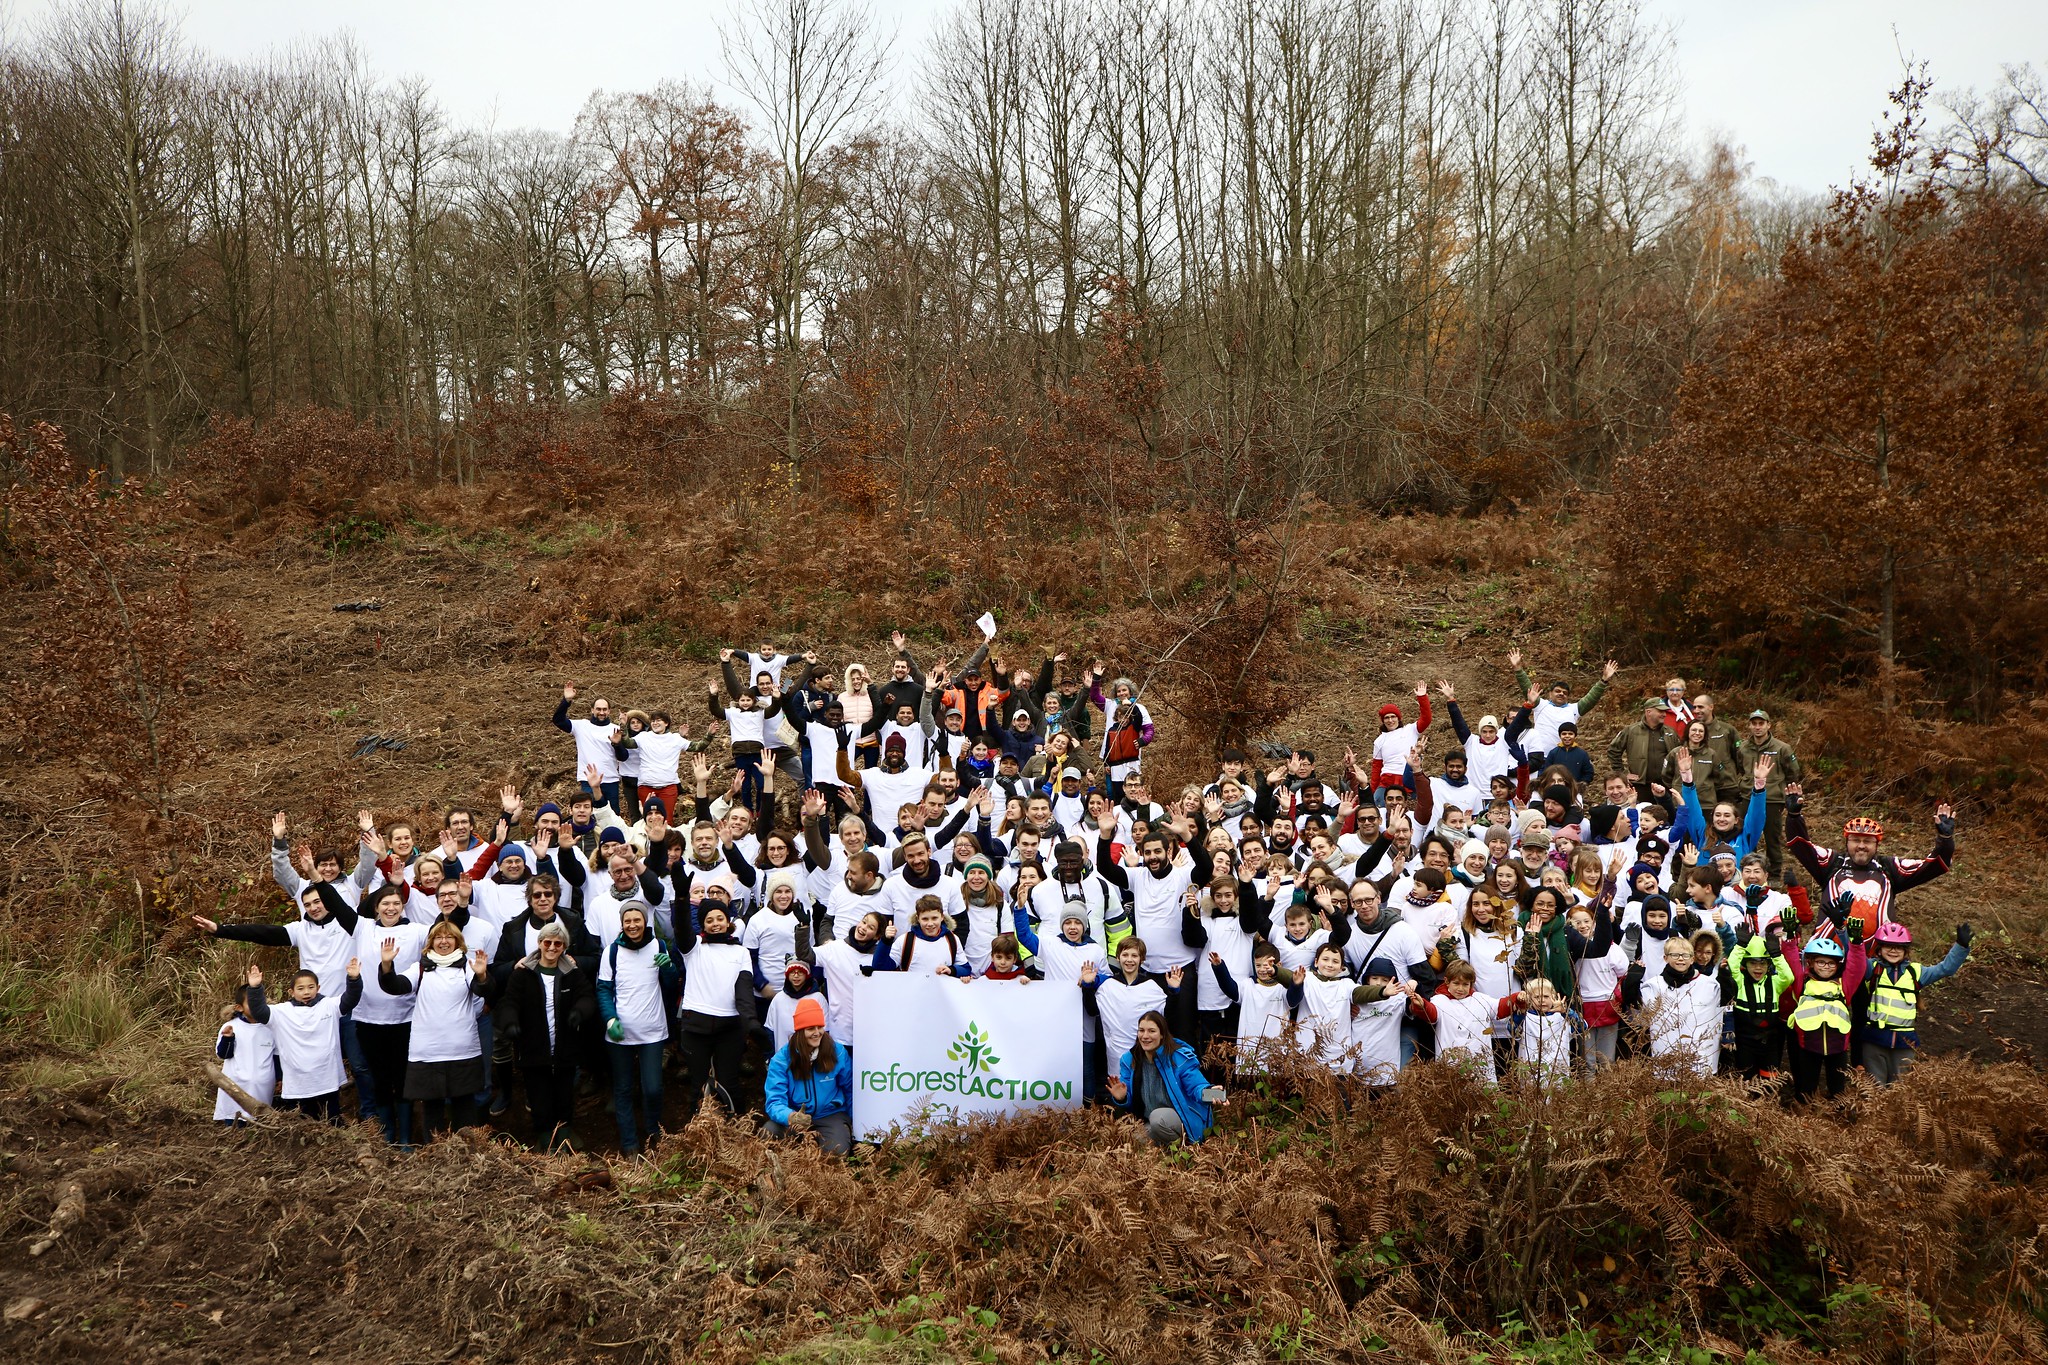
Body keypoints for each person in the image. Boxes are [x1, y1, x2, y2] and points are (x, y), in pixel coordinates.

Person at [379, 921, 502, 1136]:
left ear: (458, 942)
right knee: (432, 1108)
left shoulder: (468, 966)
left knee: (464, 1106)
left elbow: (485, 990)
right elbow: (395, 986)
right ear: (431, 943)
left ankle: (466, 1153)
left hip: (463, 1050)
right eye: (438, 937)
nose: (443, 941)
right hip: (427, 1052)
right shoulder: (419, 968)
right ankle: (434, 1156)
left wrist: (482, 975)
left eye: (449, 937)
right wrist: (387, 966)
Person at [1786, 794, 1954, 944]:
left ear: (1877, 845)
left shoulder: (1890, 868)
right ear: (1847, 842)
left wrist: (1945, 840)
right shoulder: (1832, 863)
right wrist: (1794, 817)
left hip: (1875, 957)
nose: (1861, 846)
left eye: (1867, 841)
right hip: (1829, 955)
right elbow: (1800, 845)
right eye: (1855, 840)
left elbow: (1934, 865)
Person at [504, 920, 595, 1150]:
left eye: (558, 943)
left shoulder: (571, 973)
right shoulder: (523, 973)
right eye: (548, 942)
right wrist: (511, 1022)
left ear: (564, 947)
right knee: (538, 1094)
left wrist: (579, 1011)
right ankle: (545, 1134)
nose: (552, 947)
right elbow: (510, 1003)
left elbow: (586, 997)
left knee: (565, 1092)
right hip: (533, 1046)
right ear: (539, 944)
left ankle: (564, 1130)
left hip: (565, 1044)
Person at [596, 903, 678, 1156]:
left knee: (653, 1087)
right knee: (622, 1088)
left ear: (645, 922)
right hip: (619, 1033)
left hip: (652, 1030)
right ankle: (629, 1142)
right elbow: (603, 988)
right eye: (627, 921)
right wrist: (610, 1019)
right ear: (622, 924)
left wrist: (669, 969)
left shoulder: (659, 946)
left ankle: (653, 1131)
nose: (632, 925)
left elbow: (671, 987)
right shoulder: (611, 952)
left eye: (637, 920)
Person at [1854, 920, 1972, 1084]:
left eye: (1899, 947)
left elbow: (1945, 968)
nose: (1893, 951)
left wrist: (1960, 946)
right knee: (1874, 1089)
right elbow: (1855, 963)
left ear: (1906, 951)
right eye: (1888, 946)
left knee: (1900, 1089)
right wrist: (1855, 941)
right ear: (1879, 949)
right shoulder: (1872, 968)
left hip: (1905, 1042)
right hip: (1874, 1040)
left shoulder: (1916, 972)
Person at [249, 960, 364, 1124]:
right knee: (307, 1120)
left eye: (311, 987)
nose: (306, 992)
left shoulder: (329, 1005)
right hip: (299, 1078)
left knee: (333, 1117)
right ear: (291, 991)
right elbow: (259, 1012)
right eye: (300, 988)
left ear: (318, 988)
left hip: (327, 1075)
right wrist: (255, 988)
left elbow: (351, 998)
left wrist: (353, 979)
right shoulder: (282, 1011)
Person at [1105, 1010, 1214, 1145]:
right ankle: (1165, 1150)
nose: (1145, 1036)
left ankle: (1184, 1150)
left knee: (1158, 1118)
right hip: (1151, 1121)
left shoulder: (1179, 1057)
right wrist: (1122, 1097)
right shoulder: (1129, 1060)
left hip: (1183, 1118)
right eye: (1141, 1030)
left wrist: (1214, 1093)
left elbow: (1197, 1086)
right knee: (1132, 1140)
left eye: (1151, 1031)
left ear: (1162, 1034)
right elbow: (1130, 1098)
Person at [763, 997, 855, 1155]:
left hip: (830, 1115)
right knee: (768, 1134)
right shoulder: (781, 1060)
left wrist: (857, 1126)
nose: (817, 1033)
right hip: (795, 1115)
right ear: (800, 1031)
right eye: (810, 1028)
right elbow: (774, 1101)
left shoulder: (837, 1052)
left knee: (836, 1153)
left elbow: (851, 1090)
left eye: (820, 1027)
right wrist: (790, 1116)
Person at [1781, 934, 1853, 1102]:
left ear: (1837, 965)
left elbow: (1856, 967)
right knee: (1806, 1089)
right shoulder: (1803, 983)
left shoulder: (1843, 985)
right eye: (1821, 962)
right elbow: (1791, 960)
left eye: (1831, 963)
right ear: (1810, 963)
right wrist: (1789, 940)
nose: (1826, 967)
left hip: (1838, 1047)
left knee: (1838, 1091)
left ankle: (1838, 1121)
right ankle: (1804, 1121)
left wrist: (1855, 945)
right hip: (1808, 1046)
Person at [1737, 711, 1804, 881]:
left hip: (1772, 799)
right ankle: (1743, 872)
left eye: (1761, 723)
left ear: (1768, 725)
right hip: (1748, 797)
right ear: (1750, 726)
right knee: (1744, 834)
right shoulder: (1743, 747)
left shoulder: (1782, 748)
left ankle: (1773, 875)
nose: (1757, 727)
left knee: (1772, 838)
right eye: (1754, 724)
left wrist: (1784, 794)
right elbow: (1740, 768)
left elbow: (1793, 772)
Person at [213, 964, 277, 1126]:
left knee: (261, 1122)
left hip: (263, 1085)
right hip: (236, 1086)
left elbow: (276, 1056)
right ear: (239, 1008)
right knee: (236, 1123)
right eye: (251, 1003)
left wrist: (280, 1079)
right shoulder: (232, 1027)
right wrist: (228, 1038)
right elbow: (223, 1055)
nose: (256, 1006)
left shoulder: (271, 1027)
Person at [554, 682, 624, 811]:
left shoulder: (616, 729)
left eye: (604, 709)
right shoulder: (581, 726)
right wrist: (566, 700)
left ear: (609, 711)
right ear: (592, 710)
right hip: (587, 780)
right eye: (598, 709)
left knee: (613, 818)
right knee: (590, 816)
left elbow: (623, 757)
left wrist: (617, 744)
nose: (601, 712)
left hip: (610, 780)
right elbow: (558, 720)